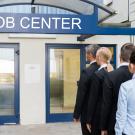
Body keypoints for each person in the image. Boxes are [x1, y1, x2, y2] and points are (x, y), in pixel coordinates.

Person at [101, 43, 135, 135]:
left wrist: (103, 127)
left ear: (120, 56)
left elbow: (106, 104)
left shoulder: (110, 76)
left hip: (115, 124)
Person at [73, 44, 100, 135]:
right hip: (101, 113)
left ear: (90, 55)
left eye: (86, 54)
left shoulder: (86, 71)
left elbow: (81, 94)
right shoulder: (106, 70)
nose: (86, 56)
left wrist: (76, 114)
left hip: (87, 113)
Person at [86, 47, 113, 135]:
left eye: (97, 56)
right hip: (110, 115)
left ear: (100, 57)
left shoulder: (97, 75)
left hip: (98, 116)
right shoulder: (113, 72)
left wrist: (89, 119)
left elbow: (93, 99)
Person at [115, 49, 135, 135]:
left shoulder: (125, 86)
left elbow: (121, 115)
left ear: (132, 65)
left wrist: (118, 132)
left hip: (130, 130)